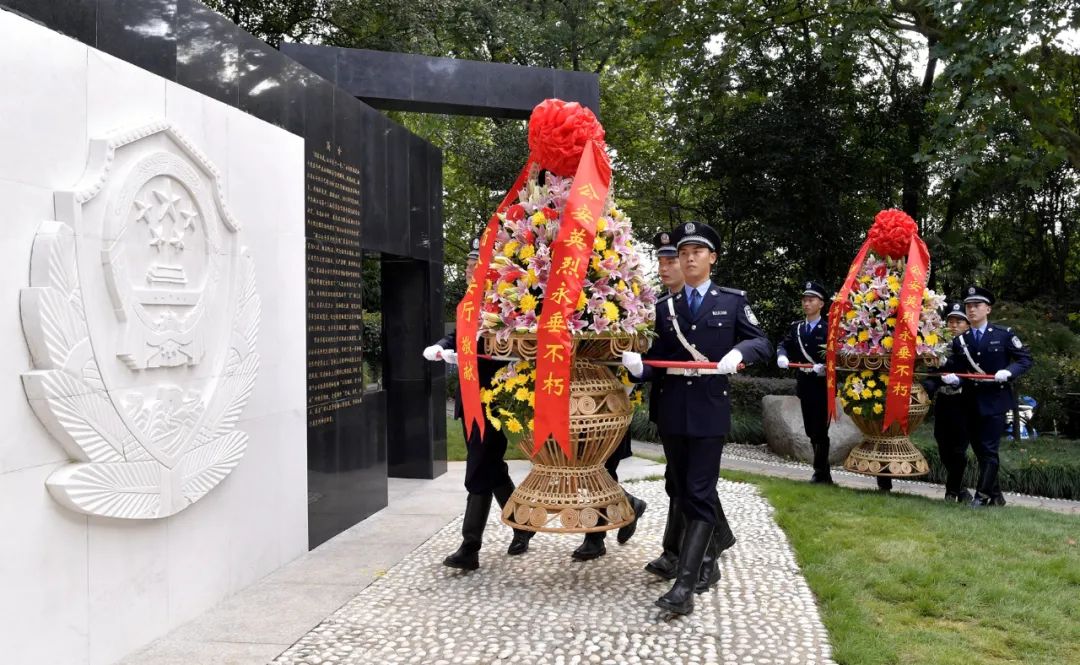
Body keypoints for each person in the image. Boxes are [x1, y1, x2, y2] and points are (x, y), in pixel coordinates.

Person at [622, 221, 772, 615]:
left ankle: (686, 586)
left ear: (712, 258)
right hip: (673, 411)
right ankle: (698, 561)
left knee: (701, 493)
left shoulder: (732, 301)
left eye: (697, 252)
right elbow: (658, 363)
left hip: (708, 410)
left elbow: (761, 341)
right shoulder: (663, 308)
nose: (688, 258)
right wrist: (639, 368)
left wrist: (740, 354)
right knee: (682, 489)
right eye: (683, 253)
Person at [422, 238, 533, 569]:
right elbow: (457, 337)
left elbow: (509, 351)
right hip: (469, 400)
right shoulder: (469, 305)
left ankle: (470, 546)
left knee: (479, 468)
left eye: (477, 266)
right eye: (470, 266)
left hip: (493, 402)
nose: (471, 271)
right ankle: (522, 525)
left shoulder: (502, 307)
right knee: (491, 466)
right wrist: (441, 347)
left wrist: (471, 356)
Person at [939, 286, 1033, 508]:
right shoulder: (961, 340)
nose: (971, 310)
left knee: (989, 449)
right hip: (969, 401)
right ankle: (997, 497)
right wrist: (954, 379)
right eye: (968, 306)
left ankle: (981, 497)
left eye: (976, 306)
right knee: (980, 450)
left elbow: (1025, 360)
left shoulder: (1003, 334)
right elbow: (957, 368)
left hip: (994, 401)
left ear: (987, 309)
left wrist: (1009, 372)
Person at [643, 230, 689, 580]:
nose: (664, 267)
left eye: (671, 260)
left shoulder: (698, 305)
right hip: (667, 402)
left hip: (695, 405)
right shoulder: (660, 306)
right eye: (660, 261)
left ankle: (677, 553)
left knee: (688, 482)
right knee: (678, 479)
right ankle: (712, 539)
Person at [923, 302, 972, 502]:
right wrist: (926, 388)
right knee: (943, 445)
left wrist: (958, 378)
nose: (953, 325)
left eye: (959, 321)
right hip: (944, 401)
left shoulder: (972, 346)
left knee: (959, 449)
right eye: (950, 321)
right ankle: (960, 489)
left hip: (964, 402)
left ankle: (952, 491)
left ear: (967, 325)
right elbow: (932, 375)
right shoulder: (940, 345)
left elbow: (973, 372)